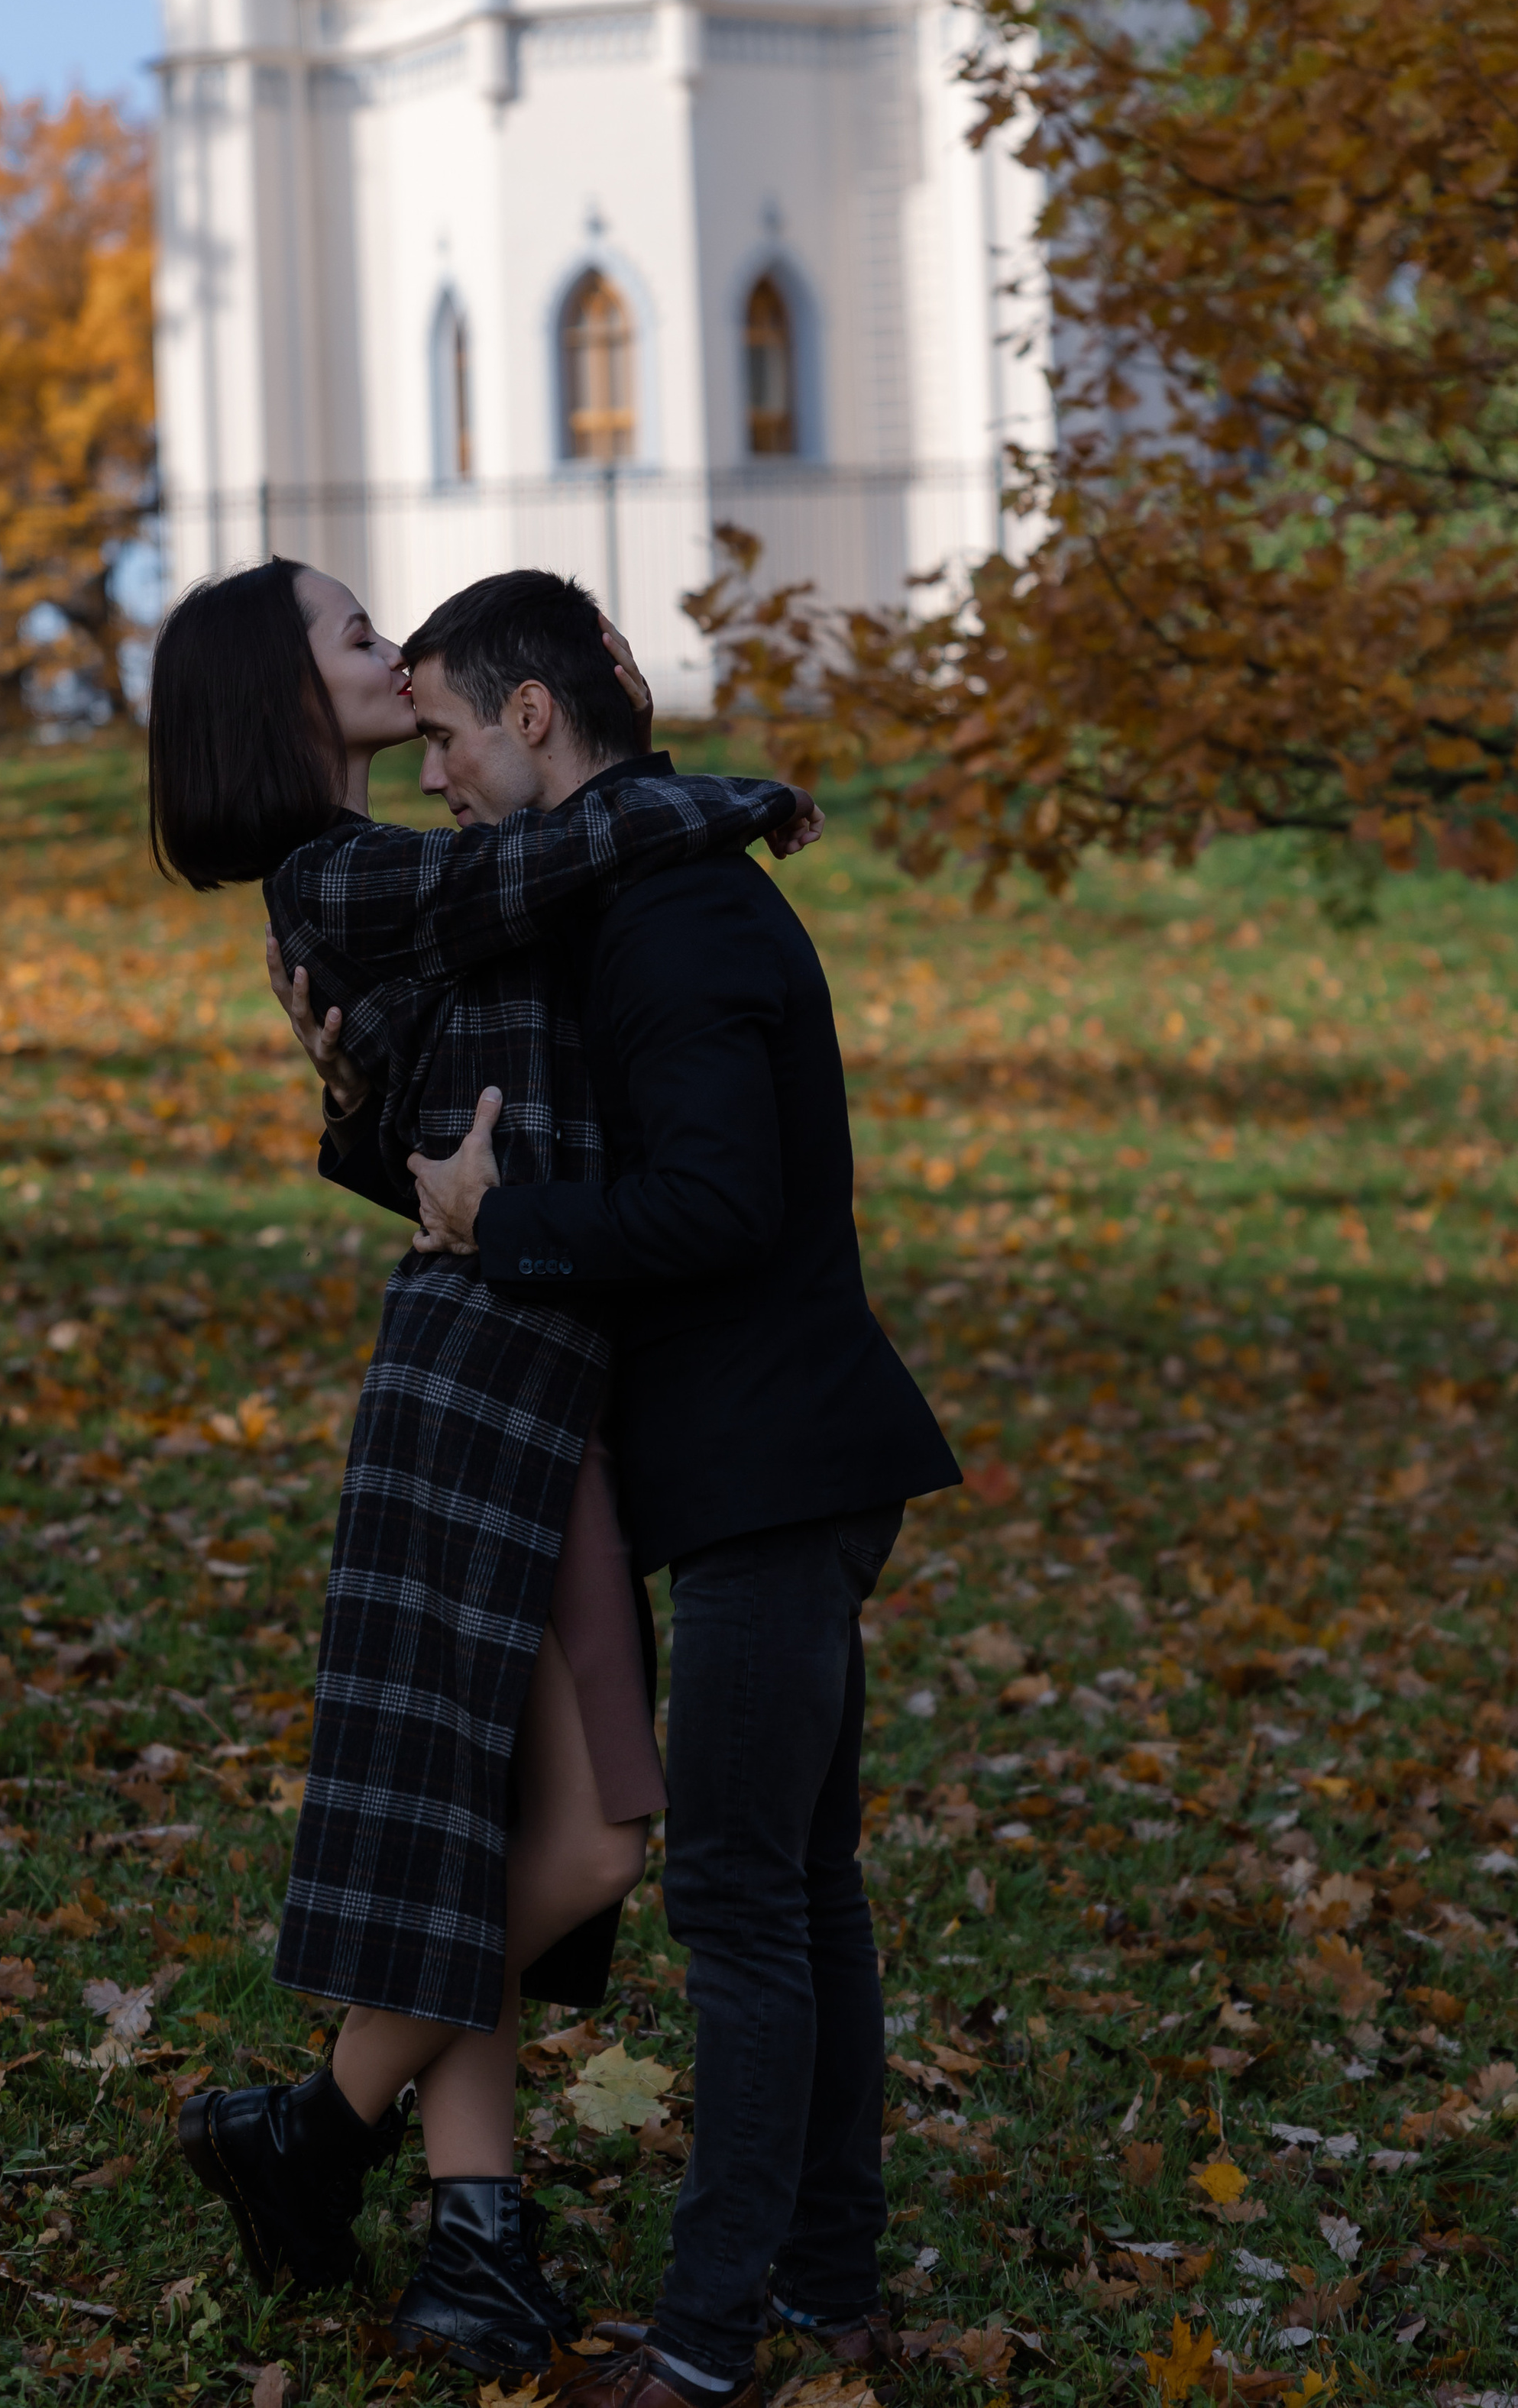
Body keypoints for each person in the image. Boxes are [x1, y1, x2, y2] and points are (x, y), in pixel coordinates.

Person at [145, 558, 814, 2374]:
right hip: (490, 1385)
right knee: (587, 1841)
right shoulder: (337, 876)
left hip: (532, 1363)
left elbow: (442, 1130)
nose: (394, 654)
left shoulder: (382, 884)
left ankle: (471, 2235)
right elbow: (531, 865)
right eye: (357, 636)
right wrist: (723, 800)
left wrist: (362, 1107)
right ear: (280, 697)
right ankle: (319, 2125)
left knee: (484, 1819)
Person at [403, 574, 962, 2408]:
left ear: (531, 717)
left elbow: (714, 1203)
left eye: (443, 737)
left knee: (741, 1907)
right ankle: (826, 2291)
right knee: (799, 1892)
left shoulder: (679, 919)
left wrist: (505, 1225)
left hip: (768, 1472)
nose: (435, 779)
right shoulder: (645, 892)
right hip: (771, 1460)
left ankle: (711, 2351)